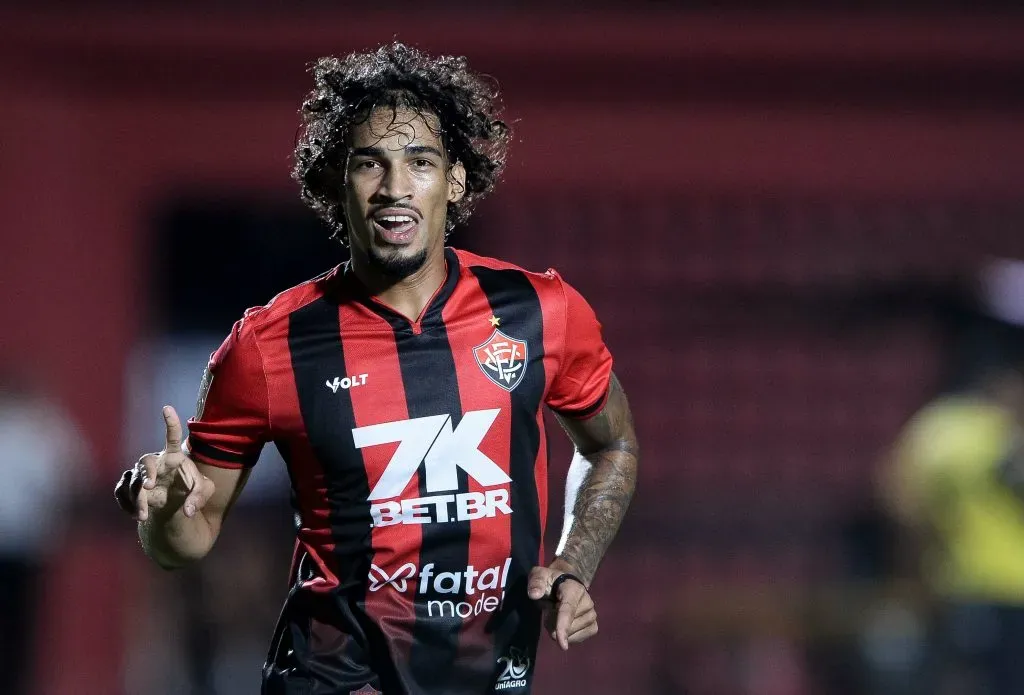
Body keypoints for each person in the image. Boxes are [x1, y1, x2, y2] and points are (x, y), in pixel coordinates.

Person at [114, 43, 638, 695]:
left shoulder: (541, 312)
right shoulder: (268, 345)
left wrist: (573, 561)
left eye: (420, 162)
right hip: (331, 677)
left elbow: (612, 444)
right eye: (370, 163)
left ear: (455, 179)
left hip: (484, 676)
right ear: (337, 182)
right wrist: (166, 511)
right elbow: (185, 542)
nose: (395, 188)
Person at [881, 355, 1024, 695]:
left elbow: (895, 493)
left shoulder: (935, 427)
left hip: (954, 584)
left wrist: (920, 556)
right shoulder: (1005, 433)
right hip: (1011, 587)